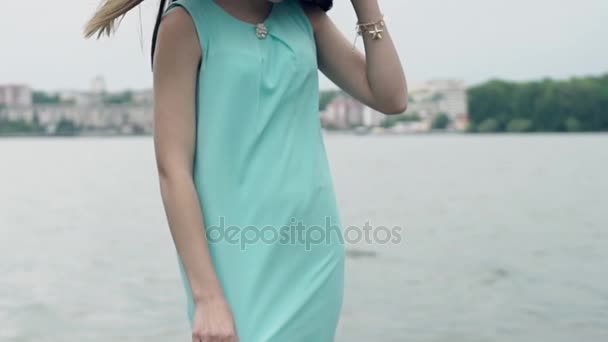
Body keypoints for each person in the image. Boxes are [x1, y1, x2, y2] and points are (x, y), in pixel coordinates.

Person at [85, 0, 407, 341]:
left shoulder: (305, 18)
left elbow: (391, 97)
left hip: (311, 252)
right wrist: (206, 296)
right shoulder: (184, 24)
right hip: (232, 256)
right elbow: (173, 171)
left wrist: (366, 7)